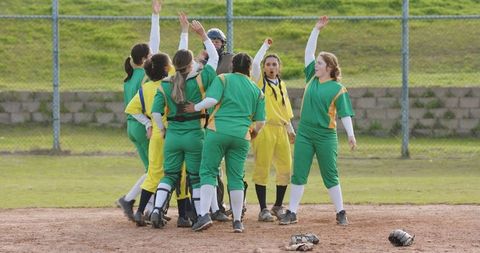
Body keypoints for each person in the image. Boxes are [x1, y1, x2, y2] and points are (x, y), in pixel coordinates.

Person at [148, 19, 227, 229]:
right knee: (196, 176)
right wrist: (202, 35)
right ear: (191, 64)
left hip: (173, 135)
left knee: (170, 175)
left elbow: (156, 112)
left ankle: (156, 211)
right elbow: (215, 58)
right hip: (195, 134)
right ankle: (201, 215)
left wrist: (163, 129)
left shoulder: (165, 84)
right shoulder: (200, 79)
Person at [279, 16, 356, 226]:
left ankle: (340, 212)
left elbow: (345, 114)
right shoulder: (311, 79)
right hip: (304, 132)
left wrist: (350, 134)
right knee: (299, 172)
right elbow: (308, 53)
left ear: (329, 67)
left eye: (320, 63)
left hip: (325, 135)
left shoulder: (338, 89)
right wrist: (316, 30)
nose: (316, 65)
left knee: (330, 174)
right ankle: (292, 212)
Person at [125, 12, 193, 228]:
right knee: (179, 173)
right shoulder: (171, 82)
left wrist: (147, 123)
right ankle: (183, 216)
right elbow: (183, 56)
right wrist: (184, 32)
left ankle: (139, 212)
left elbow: (131, 109)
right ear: (167, 69)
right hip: (173, 133)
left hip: (156, 135)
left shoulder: (145, 87)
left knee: (154, 172)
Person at [187, 53, 266, 233]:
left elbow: (212, 100)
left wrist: (195, 107)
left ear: (232, 66)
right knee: (236, 178)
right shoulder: (257, 90)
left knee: (208, 171)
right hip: (241, 136)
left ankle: (204, 215)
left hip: (218, 131)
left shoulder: (223, 78)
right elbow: (261, 122)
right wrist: (252, 133)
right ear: (248, 69)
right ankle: (238, 221)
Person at [117, 0, 161, 221]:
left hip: (132, 126)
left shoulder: (130, 76)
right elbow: (155, 42)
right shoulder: (145, 74)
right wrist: (155, 17)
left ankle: (150, 208)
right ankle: (129, 200)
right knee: (155, 169)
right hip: (144, 125)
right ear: (145, 60)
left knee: (151, 169)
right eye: (150, 56)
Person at [250, 38, 295, 222]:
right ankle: (263, 209)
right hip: (264, 129)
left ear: (279, 67)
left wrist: (290, 128)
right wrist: (265, 46)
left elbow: (285, 110)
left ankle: (277, 205)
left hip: (280, 130)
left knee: (285, 167)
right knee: (263, 166)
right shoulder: (259, 81)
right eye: (268, 64)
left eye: (274, 64)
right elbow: (254, 62)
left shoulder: (282, 84)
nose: (271, 67)